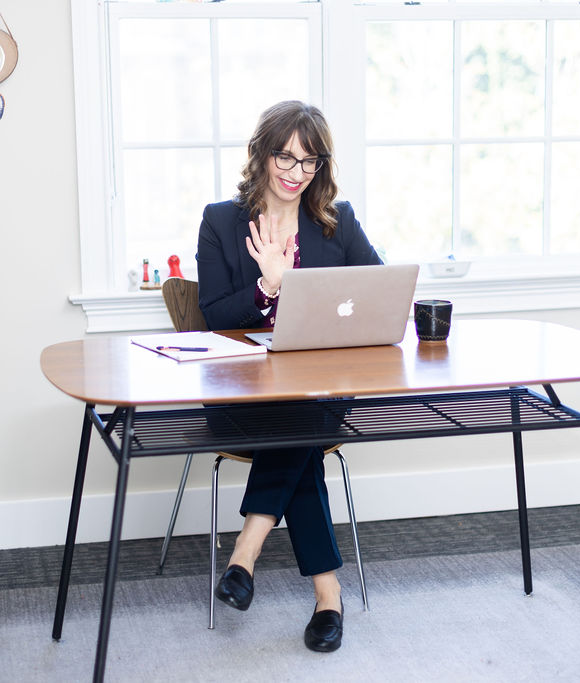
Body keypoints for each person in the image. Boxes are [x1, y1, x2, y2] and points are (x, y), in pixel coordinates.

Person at [195, 100, 382, 653]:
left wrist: (311, 292)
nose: (295, 172)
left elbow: (377, 291)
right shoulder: (221, 221)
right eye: (286, 155)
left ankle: (245, 555)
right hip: (240, 392)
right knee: (298, 437)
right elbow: (214, 316)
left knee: (301, 414)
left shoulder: (336, 222)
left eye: (310, 161)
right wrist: (269, 287)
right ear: (262, 152)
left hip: (317, 388)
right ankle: (329, 596)